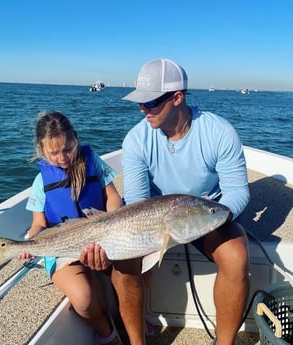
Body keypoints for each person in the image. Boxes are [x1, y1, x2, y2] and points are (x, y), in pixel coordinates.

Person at [82, 58, 250, 345]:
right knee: (123, 267)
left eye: (151, 103)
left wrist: (212, 219)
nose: (143, 109)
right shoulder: (136, 140)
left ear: (177, 98)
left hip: (203, 216)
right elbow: (136, 201)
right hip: (151, 222)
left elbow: (237, 191)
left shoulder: (220, 132)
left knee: (237, 256)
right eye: (141, 103)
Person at [18, 111, 123, 345]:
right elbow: (38, 224)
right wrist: (30, 244)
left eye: (67, 149)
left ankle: (134, 316)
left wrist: (111, 222)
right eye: (53, 153)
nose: (62, 158)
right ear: (41, 151)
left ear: (75, 139)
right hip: (63, 248)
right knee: (83, 299)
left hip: (103, 239)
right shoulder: (40, 183)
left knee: (133, 271)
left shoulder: (93, 162)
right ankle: (107, 333)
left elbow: (113, 197)